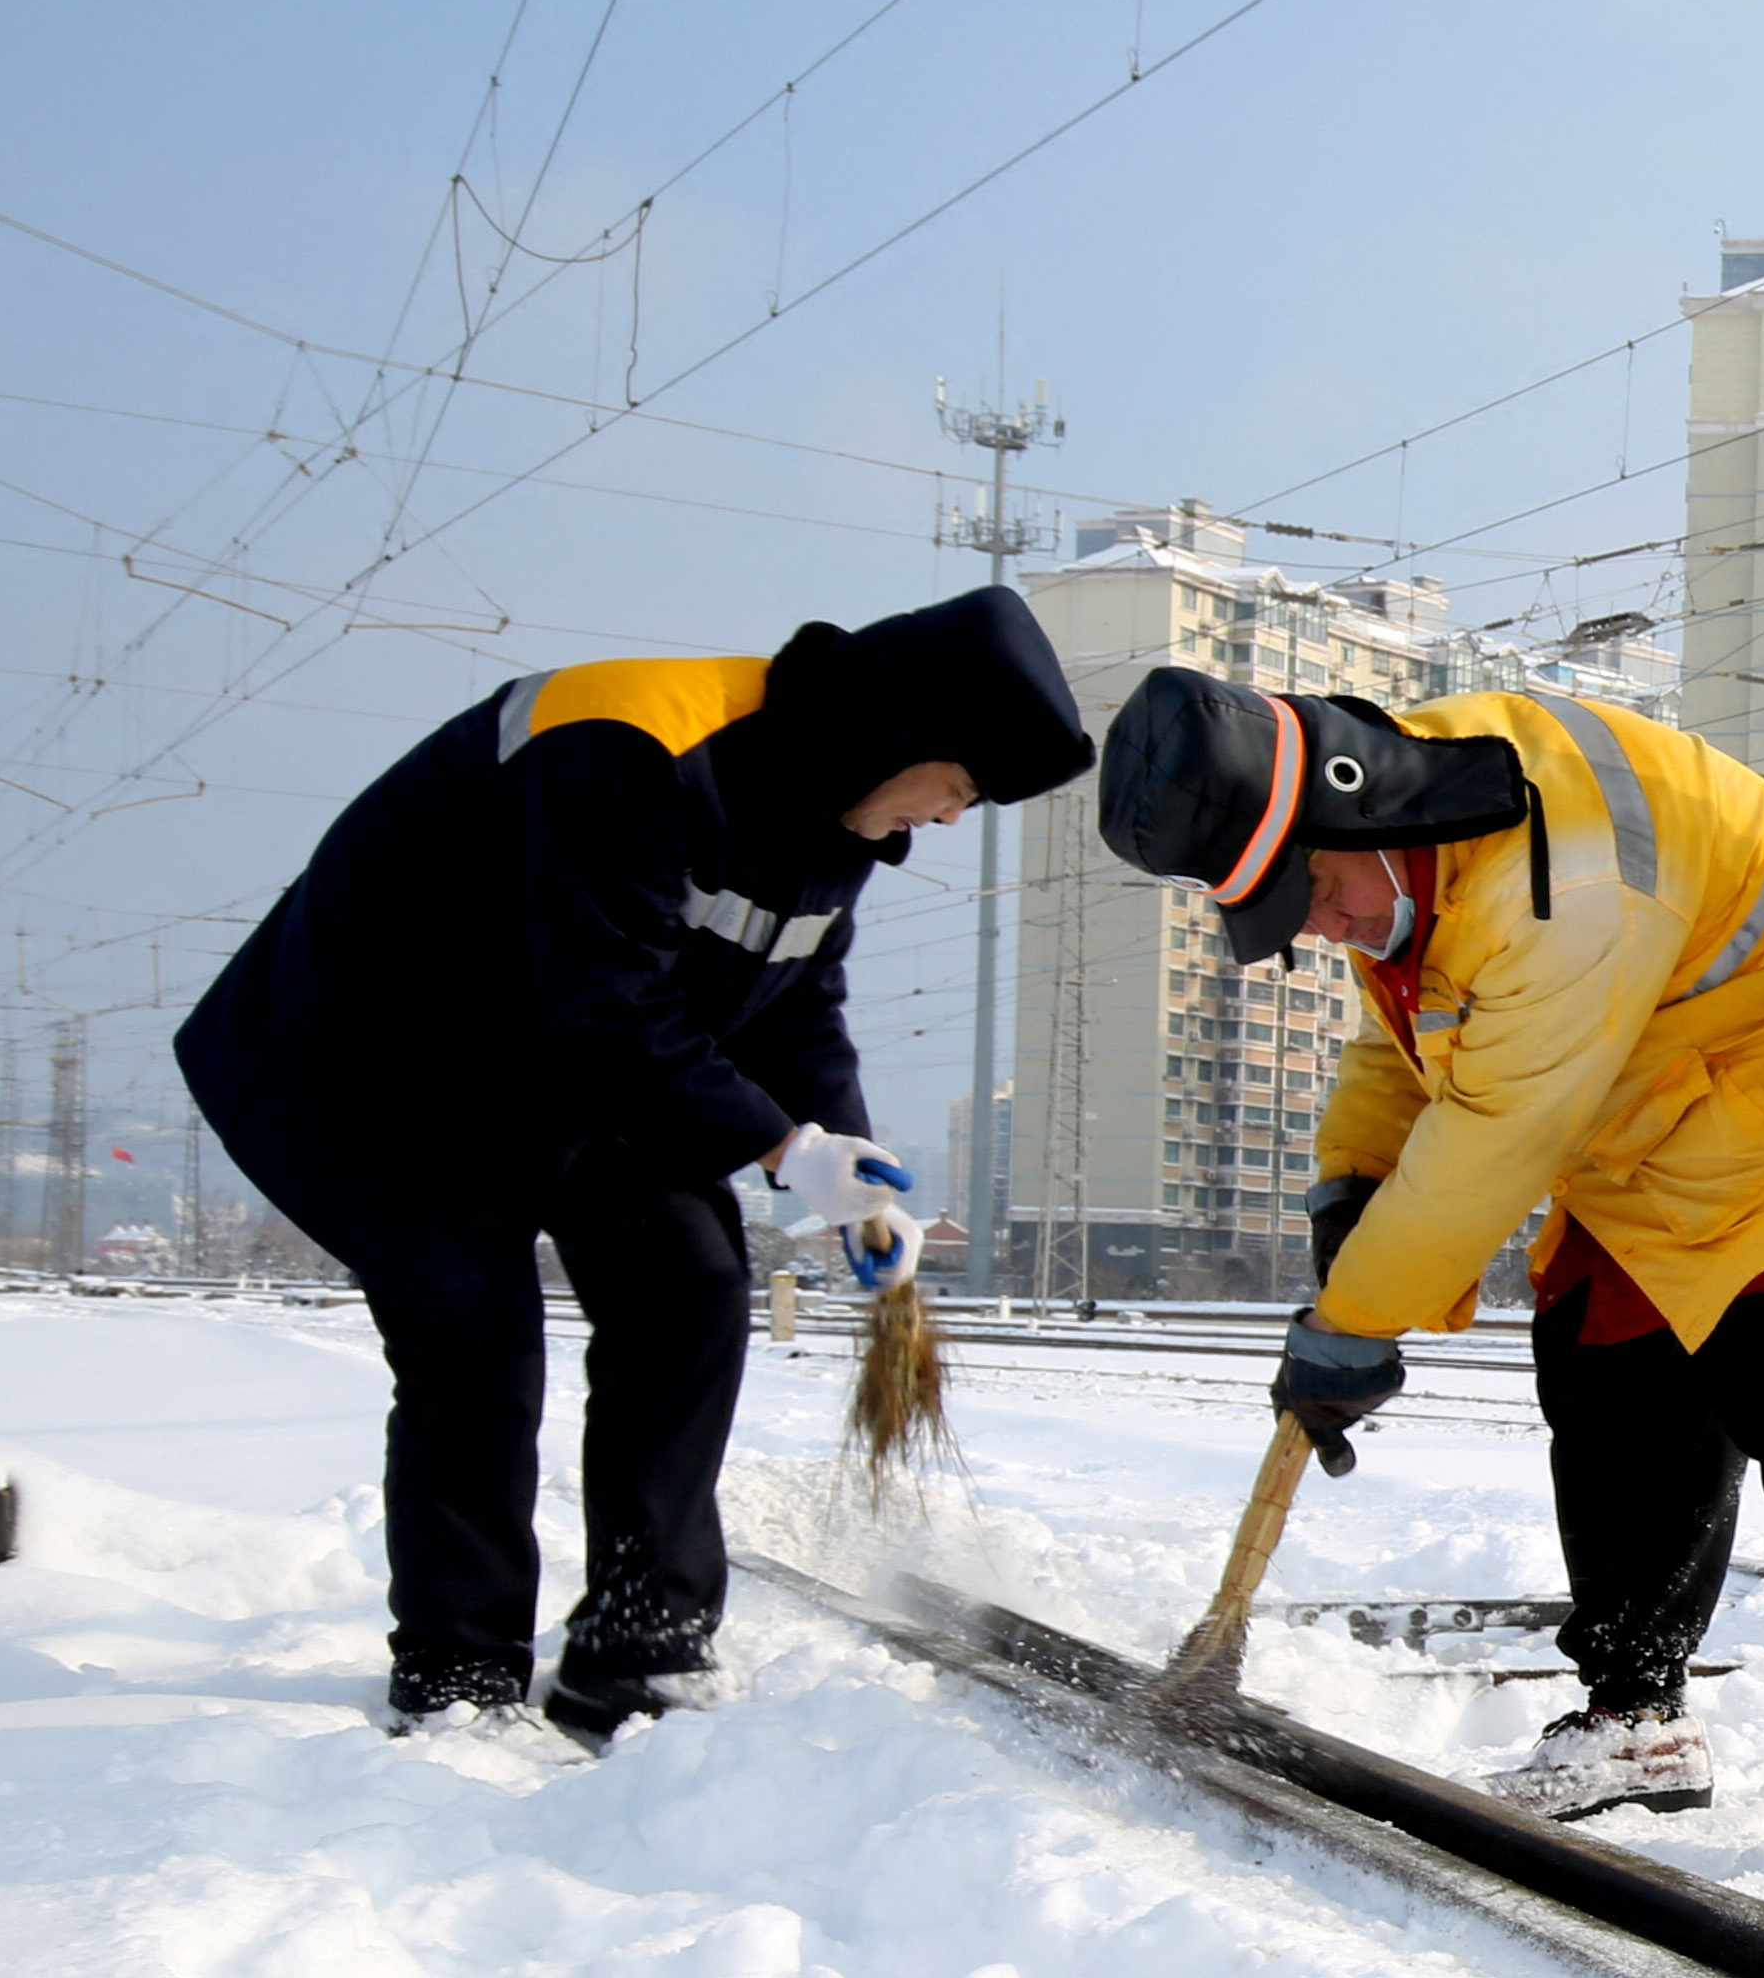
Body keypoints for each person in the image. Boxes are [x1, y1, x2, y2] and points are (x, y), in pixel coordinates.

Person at [1090, 664, 1764, 1851]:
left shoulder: (1556, 876)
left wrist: (1355, 1320)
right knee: (1610, 1400)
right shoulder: (1411, 847)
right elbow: (1403, 1039)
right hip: (1650, 1110)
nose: (1321, 928)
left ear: (1350, 815)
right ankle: (1634, 1719)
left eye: (1309, 897)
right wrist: (1348, 1189)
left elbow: (1494, 1135)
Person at [178, 588, 1092, 1741]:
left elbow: (795, 1004)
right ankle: (460, 1675)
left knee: (691, 1286)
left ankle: (639, 1644)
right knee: (476, 1333)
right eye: (960, 788)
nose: (953, 819)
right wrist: (777, 1144)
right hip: (376, 1058)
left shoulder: (839, 818)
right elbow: (602, 1011)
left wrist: (852, 1163)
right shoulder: (627, 744)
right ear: (901, 732)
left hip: (553, 1067)